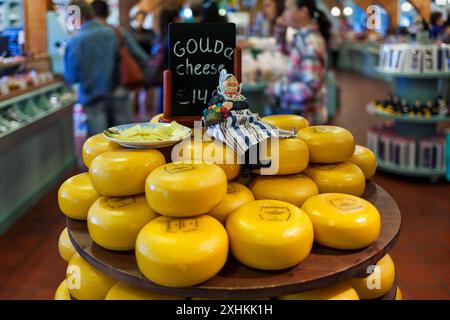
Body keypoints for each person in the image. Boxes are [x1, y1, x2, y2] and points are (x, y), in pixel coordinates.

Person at [64, 0, 149, 136]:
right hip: (120, 93)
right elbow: (143, 58)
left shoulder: (75, 42)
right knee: (125, 142)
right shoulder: (116, 32)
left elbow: (71, 77)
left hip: (92, 98)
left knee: (100, 147)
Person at [203, 69, 295, 169]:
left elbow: (244, 104)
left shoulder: (241, 98)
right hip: (229, 124)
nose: (232, 81)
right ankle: (247, 164)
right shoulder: (218, 98)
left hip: (246, 122)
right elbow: (210, 112)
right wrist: (222, 108)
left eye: (234, 80)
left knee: (257, 134)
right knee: (243, 137)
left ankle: (253, 162)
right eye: (228, 79)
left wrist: (233, 104)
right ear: (221, 84)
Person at [267, 0, 331, 125]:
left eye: (288, 9)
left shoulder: (309, 42)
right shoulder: (302, 37)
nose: (283, 14)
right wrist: (280, 29)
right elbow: (285, 51)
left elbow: (309, 88)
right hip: (300, 115)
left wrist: (278, 89)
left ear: (303, 12)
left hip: (305, 119)